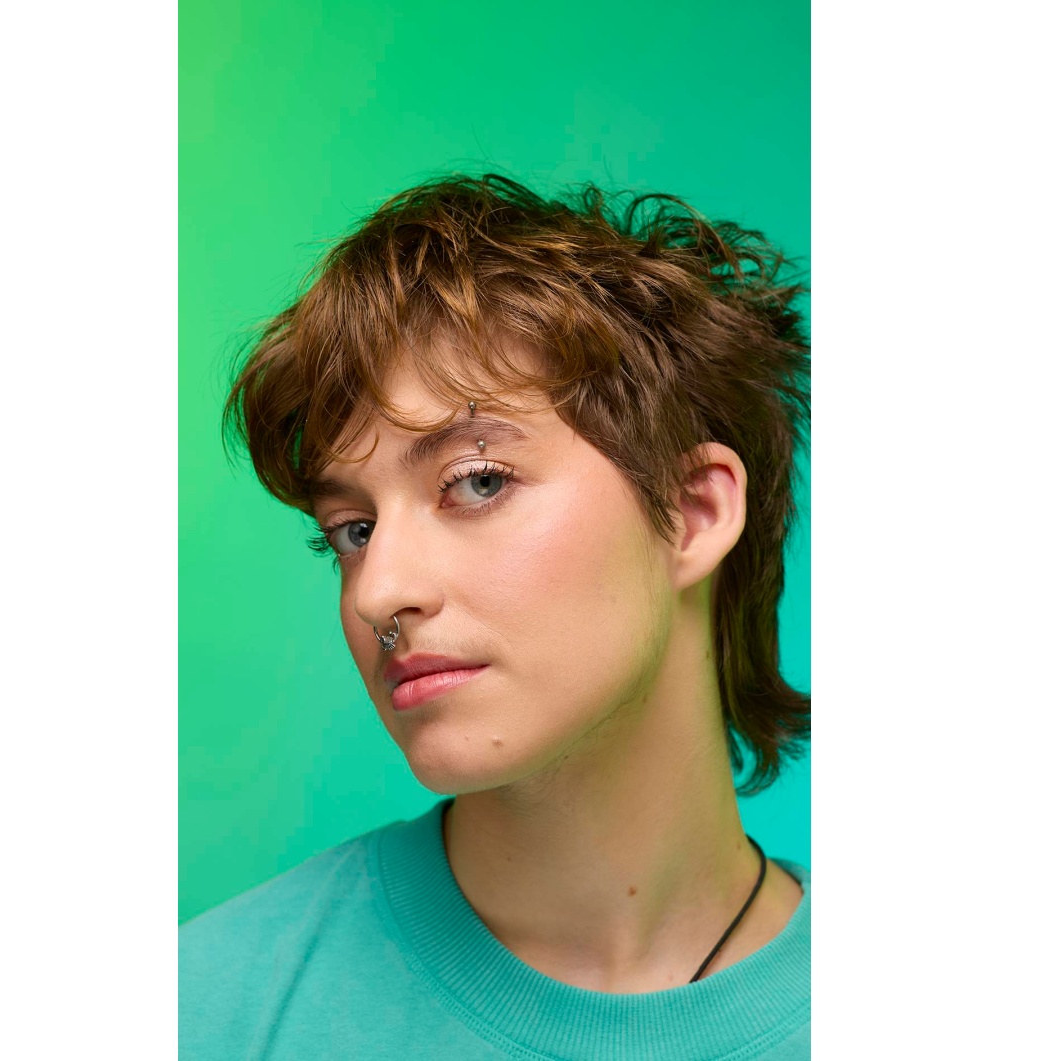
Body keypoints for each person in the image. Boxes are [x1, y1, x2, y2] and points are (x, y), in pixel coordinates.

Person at [179, 174, 811, 1059]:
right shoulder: (200, 1011)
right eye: (351, 530)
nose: (376, 592)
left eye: (476, 481)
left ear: (693, 511)